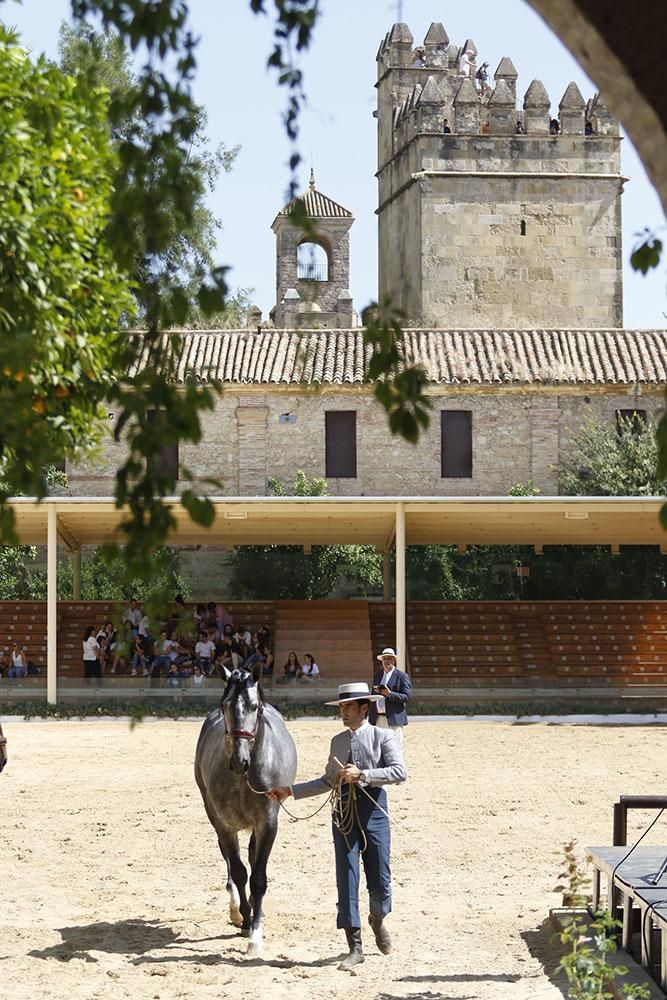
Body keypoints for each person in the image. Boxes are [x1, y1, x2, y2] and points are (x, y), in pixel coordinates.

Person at [266, 681, 407, 971]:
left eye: (348, 707)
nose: (343, 712)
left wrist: (364, 774)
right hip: (342, 812)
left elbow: (399, 772)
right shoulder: (337, 742)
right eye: (342, 707)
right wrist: (290, 791)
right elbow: (326, 780)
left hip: (374, 811)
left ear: (364, 709)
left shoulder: (385, 737)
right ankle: (354, 946)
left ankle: (377, 918)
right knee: (347, 876)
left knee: (380, 879)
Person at [368, 647, 412, 752]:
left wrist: (390, 694)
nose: (387, 661)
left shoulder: (402, 676)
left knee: (395, 749)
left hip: (394, 718)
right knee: (378, 749)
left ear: (394, 660)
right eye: (385, 659)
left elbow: (407, 697)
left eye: (389, 658)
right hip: (378, 718)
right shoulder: (377, 676)